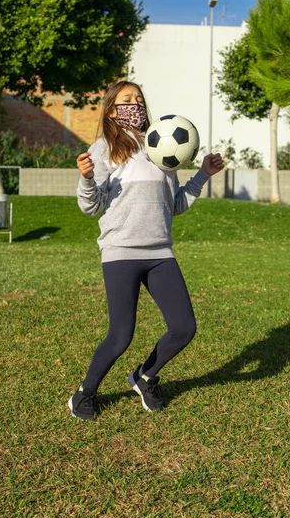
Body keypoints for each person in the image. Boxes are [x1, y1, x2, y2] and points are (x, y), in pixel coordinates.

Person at [68, 80, 224, 420]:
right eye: (126, 100)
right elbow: (90, 207)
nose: (135, 104)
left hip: (160, 254)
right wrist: (86, 178)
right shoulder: (104, 148)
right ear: (112, 110)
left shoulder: (162, 146)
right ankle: (84, 393)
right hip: (120, 252)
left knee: (184, 328)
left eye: (138, 99)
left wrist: (202, 174)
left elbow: (176, 204)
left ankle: (144, 376)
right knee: (121, 335)